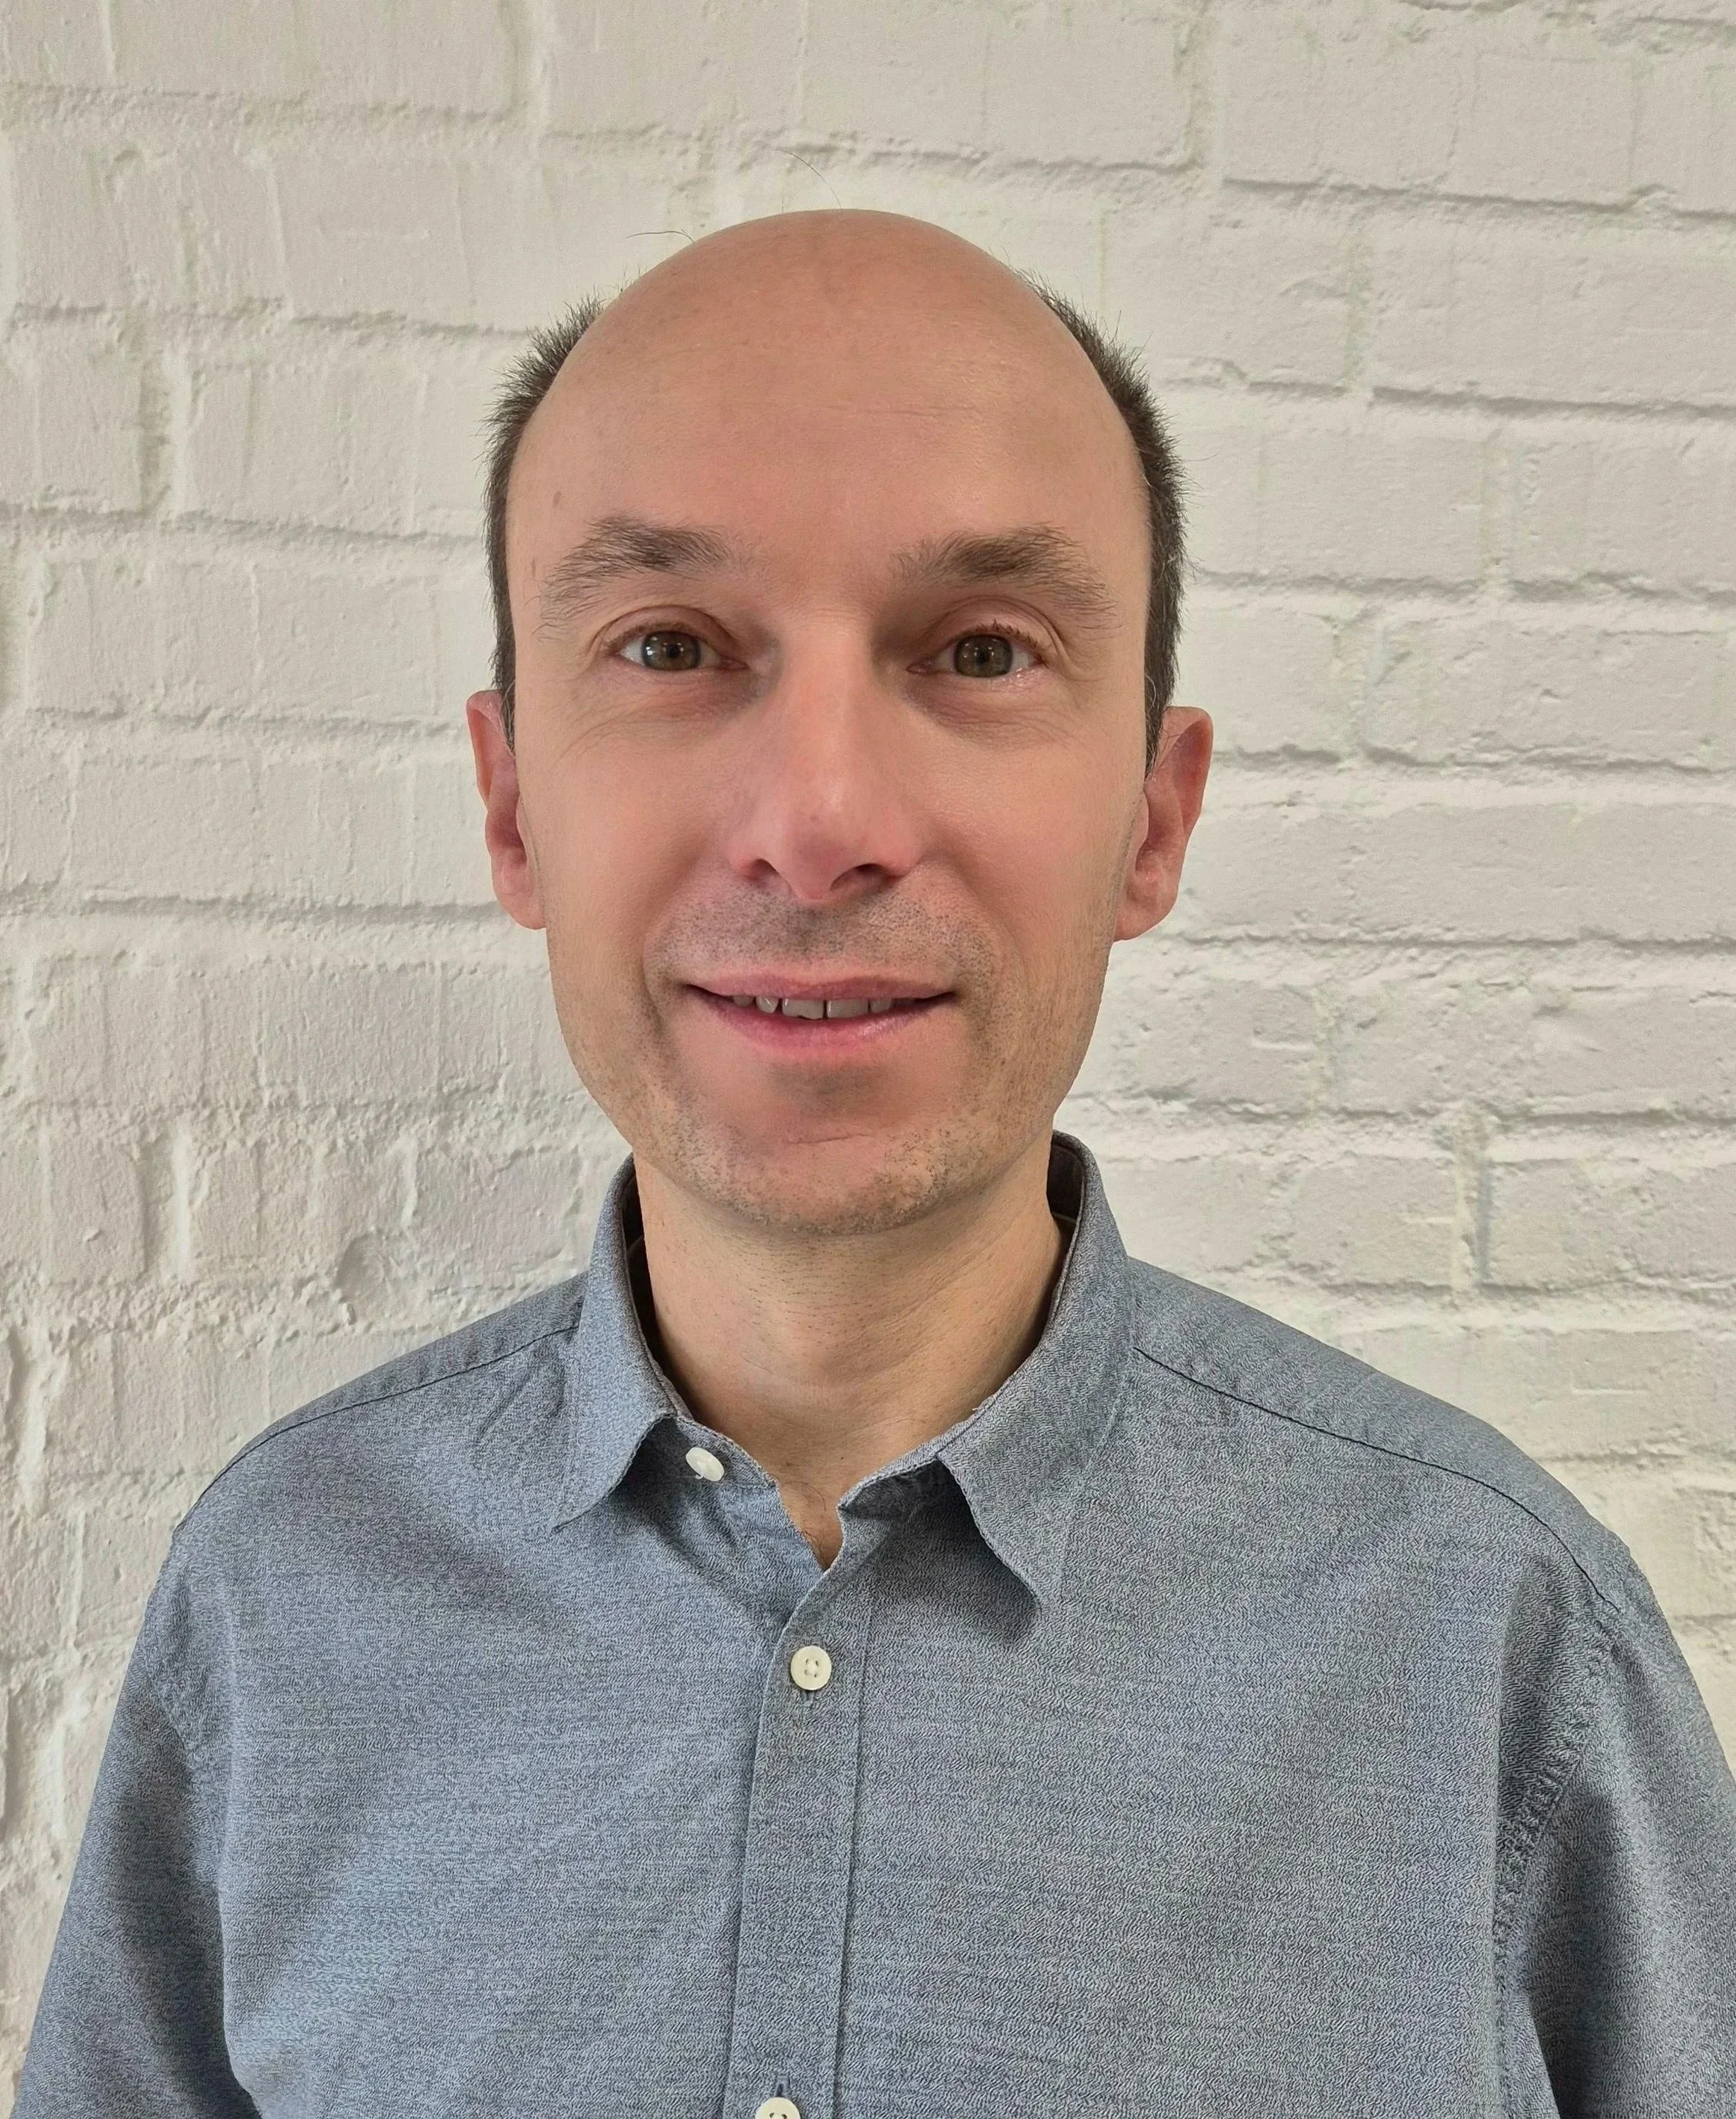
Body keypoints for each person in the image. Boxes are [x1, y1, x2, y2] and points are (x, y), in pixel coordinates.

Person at [16, 209, 1735, 2117]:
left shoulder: (1489, 1641)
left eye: (979, 650)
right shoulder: (281, 1599)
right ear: (510, 807)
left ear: (1151, 821)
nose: (818, 818)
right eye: (669, 646)